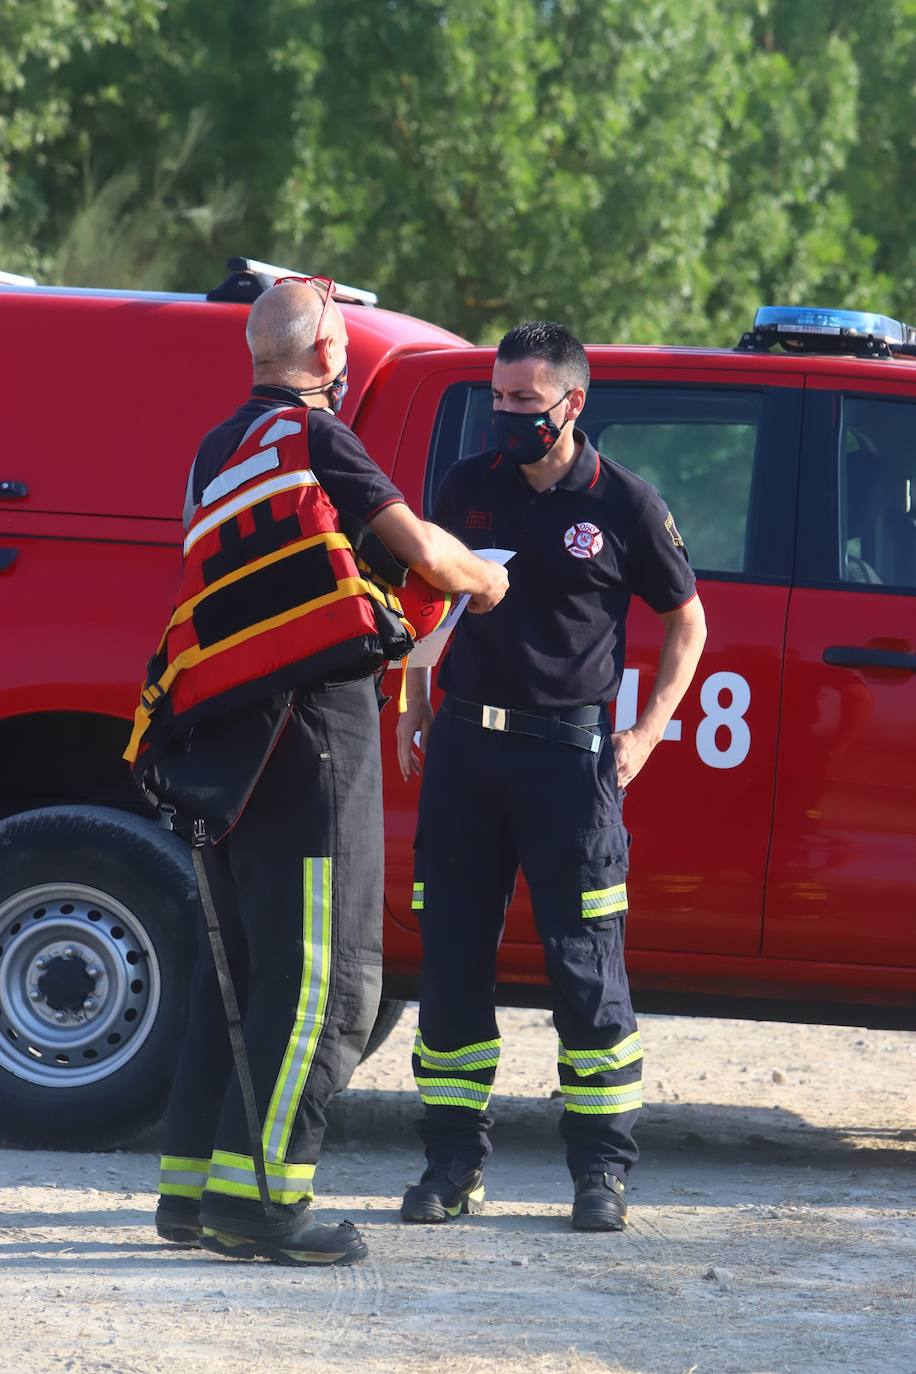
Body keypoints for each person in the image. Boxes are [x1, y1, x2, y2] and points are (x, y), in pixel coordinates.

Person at [138, 278, 508, 1267]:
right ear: (330, 360)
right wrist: (487, 576)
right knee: (323, 982)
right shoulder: (319, 439)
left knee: (249, 975)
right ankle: (263, 1205)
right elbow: (417, 547)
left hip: (226, 739)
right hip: (311, 734)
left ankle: (192, 1194)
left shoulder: (217, 450)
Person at [396, 321, 706, 1231]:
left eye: (524, 402)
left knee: (586, 970)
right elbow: (427, 596)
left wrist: (646, 733)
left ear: (572, 404)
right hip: (464, 753)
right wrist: (415, 699)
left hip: (569, 766)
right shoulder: (467, 487)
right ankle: (452, 1169)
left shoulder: (624, 503)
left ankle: (601, 1175)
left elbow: (687, 623)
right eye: (497, 398)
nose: (505, 415)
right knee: (452, 961)